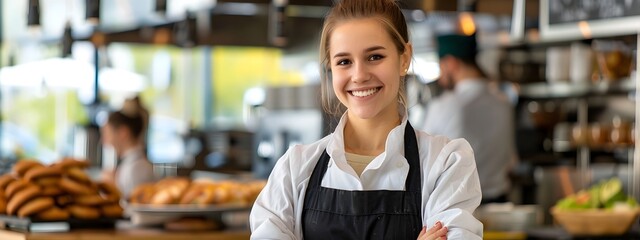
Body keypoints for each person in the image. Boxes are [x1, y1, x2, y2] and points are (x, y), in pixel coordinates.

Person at [249, 0, 483, 239]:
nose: (359, 75)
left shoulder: (445, 162)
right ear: (331, 68)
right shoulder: (295, 168)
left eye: (374, 57)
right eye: (344, 62)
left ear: (404, 58)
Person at [422, 33, 516, 204]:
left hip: (459, 206)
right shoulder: (503, 101)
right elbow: (511, 160)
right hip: (500, 202)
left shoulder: (445, 105)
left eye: (441, 66)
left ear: (451, 63)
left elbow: (421, 158)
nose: (441, 75)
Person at [101, 96, 155, 199]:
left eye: (107, 134)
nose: (104, 141)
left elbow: (136, 206)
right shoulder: (130, 165)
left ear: (123, 133)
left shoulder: (137, 168)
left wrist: (112, 187)